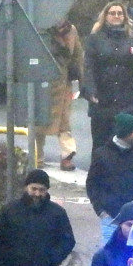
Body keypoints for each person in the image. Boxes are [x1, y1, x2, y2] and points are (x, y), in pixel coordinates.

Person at [83, 0, 133, 153]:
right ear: (105, 16)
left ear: (124, 16)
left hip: (127, 100)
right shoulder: (95, 38)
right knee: (102, 144)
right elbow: (88, 67)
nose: (116, 16)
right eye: (112, 13)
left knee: (127, 143)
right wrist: (91, 92)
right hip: (103, 100)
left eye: (119, 13)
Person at [86, 113, 133, 237]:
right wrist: (101, 212)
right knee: (109, 255)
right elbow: (92, 185)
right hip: (111, 219)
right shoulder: (101, 155)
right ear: (125, 133)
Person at [40, 19, 83, 171]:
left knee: (64, 121)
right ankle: (37, 156)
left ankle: (67, 155)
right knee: (40, 120)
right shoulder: (41, 28)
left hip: (64, 82)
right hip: (42, 82)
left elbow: (78, 55)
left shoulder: (71, 30)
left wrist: (82, 80)